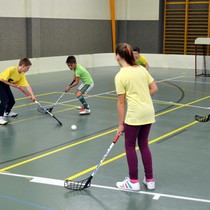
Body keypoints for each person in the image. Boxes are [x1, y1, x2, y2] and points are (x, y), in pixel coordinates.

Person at [114, 43, 158, 191]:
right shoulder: (141, 69)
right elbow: (154, 88)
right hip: (148, 112)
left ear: (117, 57)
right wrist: (142, 95)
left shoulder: (120, 75)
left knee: (130, 145)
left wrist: (121, 124)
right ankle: (150, 180)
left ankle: (133, 181)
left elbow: (121, 103)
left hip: (135, 114)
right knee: (144, 144)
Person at [0, 58, 36, 125]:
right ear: (23, 65)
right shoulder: (11, 69)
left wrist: (32, 95)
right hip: (0, 83)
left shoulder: (21, 74)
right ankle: (0, 116)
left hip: (5, 85)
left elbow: (27, 86)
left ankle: (7, 112)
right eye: (27, 68)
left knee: (12, 101)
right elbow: (1, 79)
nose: (28, 70)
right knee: (4, 99)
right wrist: (12, 85)